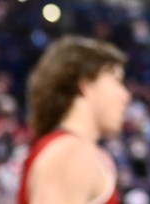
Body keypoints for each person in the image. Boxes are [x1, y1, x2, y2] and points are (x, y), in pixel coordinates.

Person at [18, 36, 131, 204]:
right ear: (85, 85)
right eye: (117, 81)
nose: (126, 96)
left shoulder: (72, 150)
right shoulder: (71, 153)